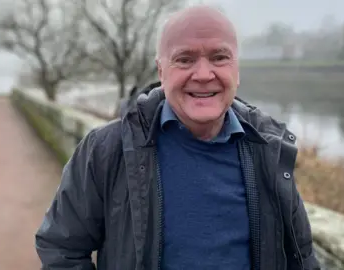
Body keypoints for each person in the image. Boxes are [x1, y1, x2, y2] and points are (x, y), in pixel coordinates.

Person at [35, 5, 321, 270]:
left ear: (237, 69)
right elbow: (61, 248)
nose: (204, 74)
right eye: (185, 59)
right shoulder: (107, 150)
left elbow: (303, 257)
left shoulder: (268, 150)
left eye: (219, 57)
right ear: (161, 71)